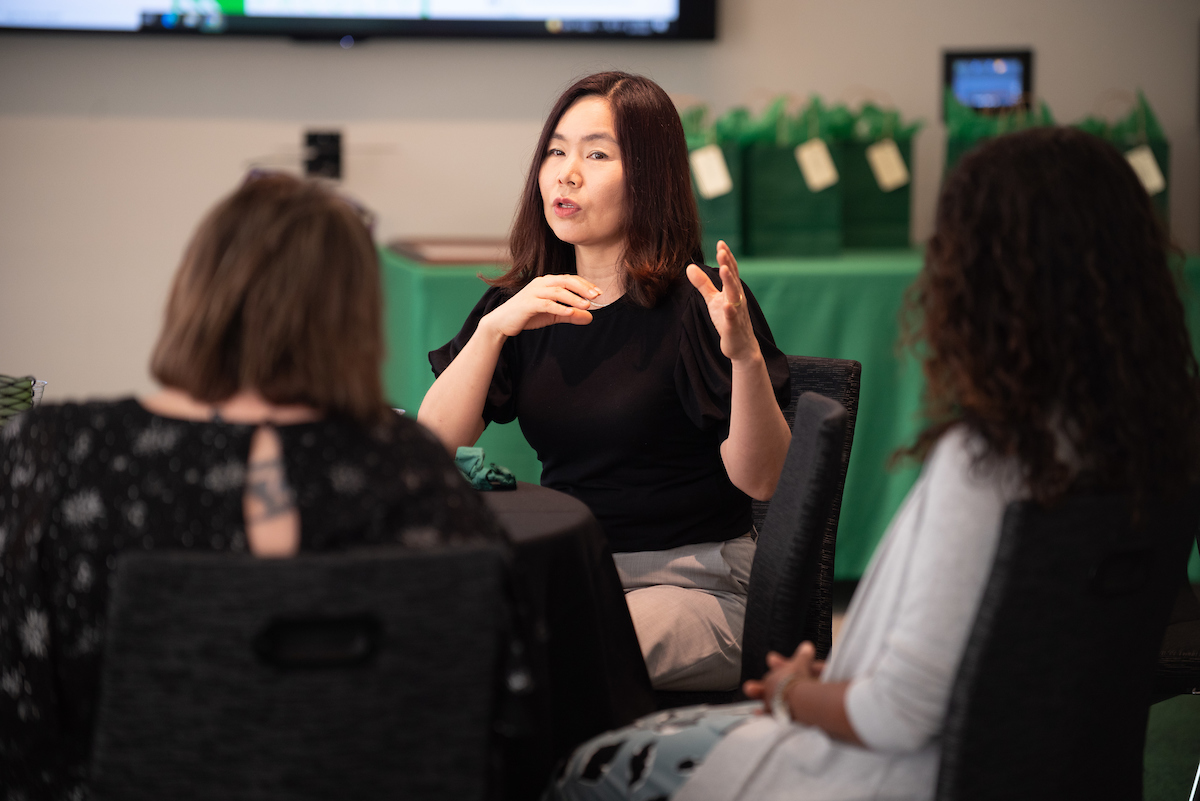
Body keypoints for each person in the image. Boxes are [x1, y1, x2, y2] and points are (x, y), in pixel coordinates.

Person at [545, 126, 1200, 801]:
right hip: (1051, 773)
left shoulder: (991, 464)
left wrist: (796, 692)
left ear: (979, 279)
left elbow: (897, 710)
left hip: (885, 777)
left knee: (588, 766)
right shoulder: (1159, 444)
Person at [0, 172, 508, 797]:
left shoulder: (49, 452)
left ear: (197, 289)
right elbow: (499, 705)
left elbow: (18, 713)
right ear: (355, 317)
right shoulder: (412, 470)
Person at [419, 72, 792, 692]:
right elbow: (433, 444)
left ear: (649, 177)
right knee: (446, 641)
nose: (566, 173)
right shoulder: (523, 303)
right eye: (556, 151)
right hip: (571, 571)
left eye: (596, 155)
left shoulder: (696, 300)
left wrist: (747, 360)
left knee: (546, 662)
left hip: (696, 584)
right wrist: (492, 333)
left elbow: (764, 479)